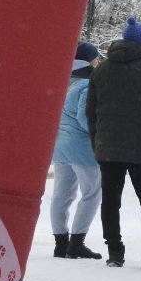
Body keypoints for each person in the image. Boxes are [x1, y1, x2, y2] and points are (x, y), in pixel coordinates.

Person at [88, 16, 141, 269]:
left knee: (110, 200)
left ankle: (114, 252)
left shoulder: (101, 70)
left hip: (109, 148)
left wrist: (97, 143)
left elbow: (91, 112)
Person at [49, 41, 103, 259]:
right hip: (81, 149)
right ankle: (77, 242)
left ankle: (60, 242)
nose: (99, 62)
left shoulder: (62, 84)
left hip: (60, 147)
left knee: (62, 194)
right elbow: (85, 118)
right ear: (87, 62)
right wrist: (100, 135)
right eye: (96, 58)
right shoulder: (87, 86)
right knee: (92, 192)